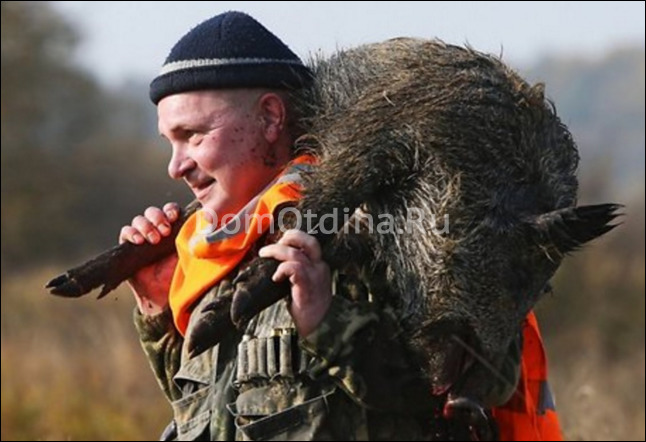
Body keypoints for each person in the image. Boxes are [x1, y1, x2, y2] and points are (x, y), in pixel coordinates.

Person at [120, 11, 562, 441]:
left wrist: (326, 321)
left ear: (271, 117)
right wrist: (158, 311)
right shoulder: (211, 253)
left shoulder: (404, 223)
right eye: (170, 142)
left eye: (193, 135)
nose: (176, 166)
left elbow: (483, 382)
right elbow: (211, 416)